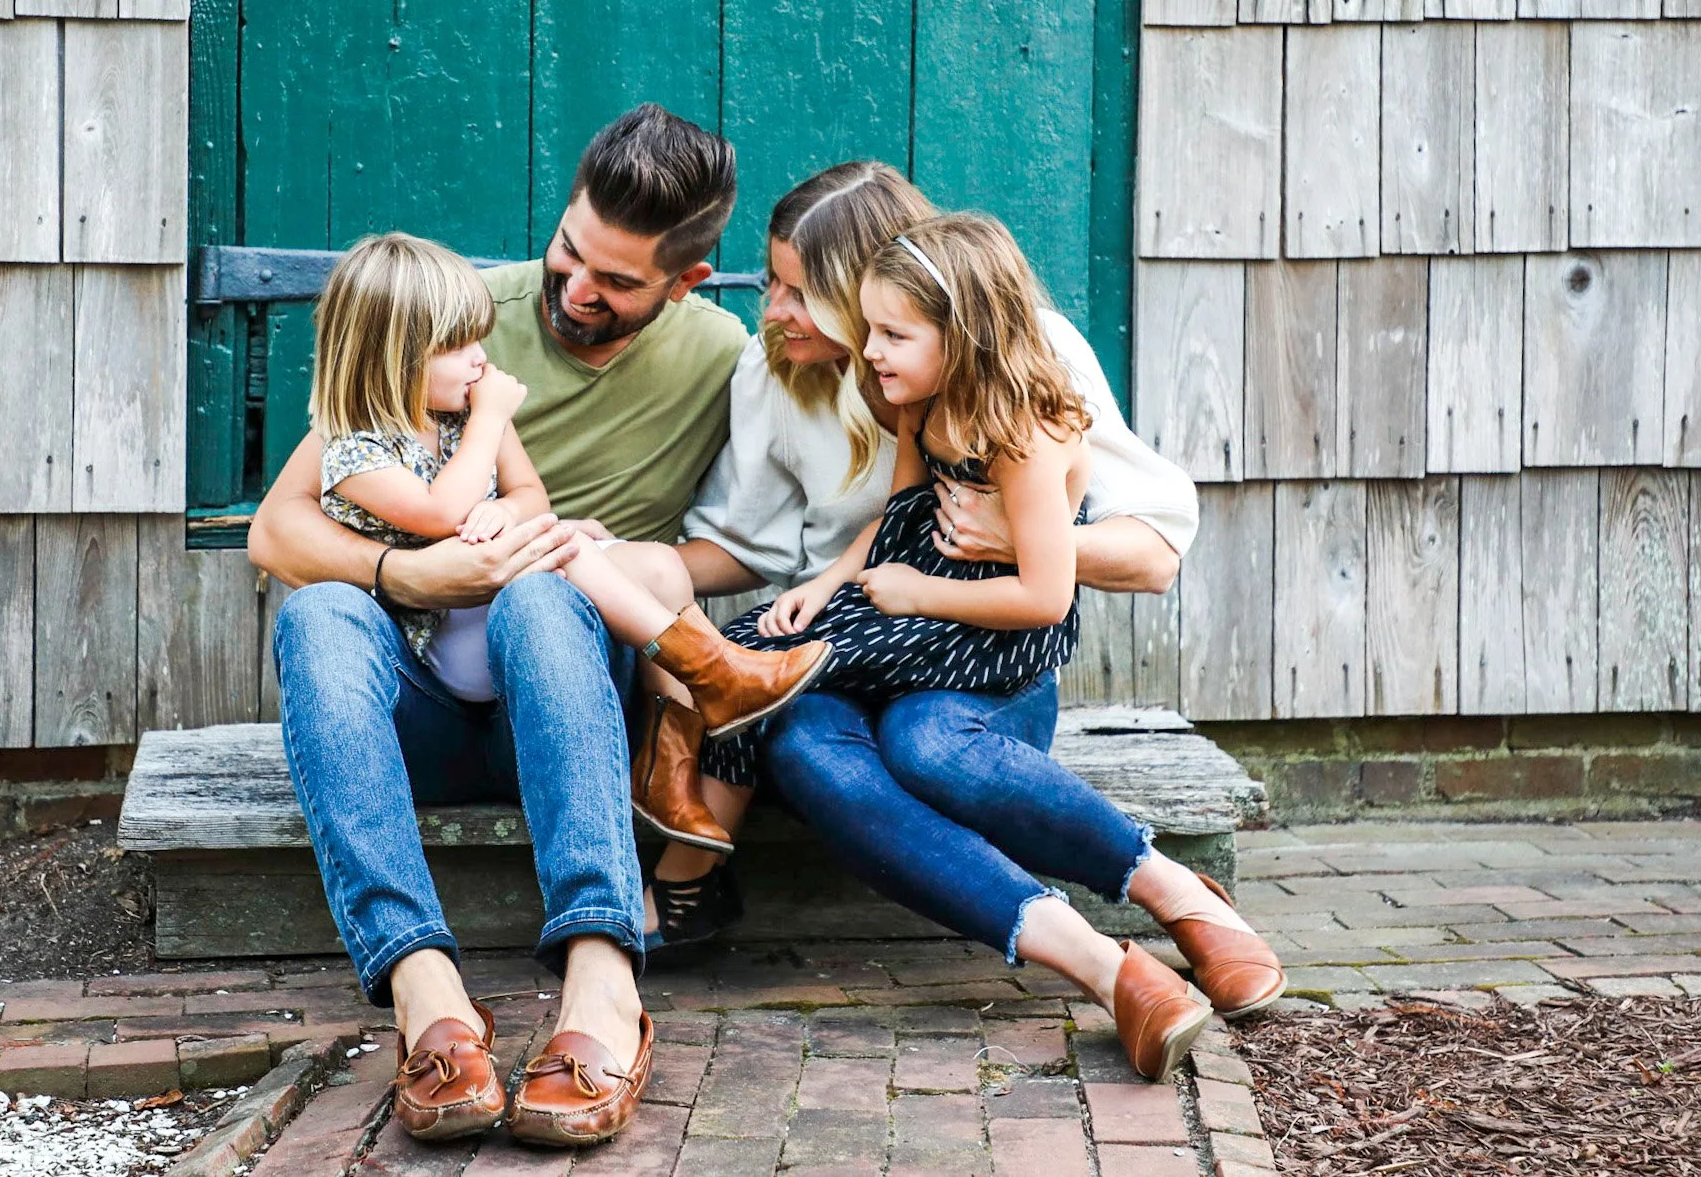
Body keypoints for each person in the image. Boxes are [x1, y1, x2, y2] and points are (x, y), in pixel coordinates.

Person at [648, 169, 1286, 1080]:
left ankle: (1178, 893)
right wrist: (644, 568)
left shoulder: (1026, 361)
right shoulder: (787, 369)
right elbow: (748, 539)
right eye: (774, 281)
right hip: (855, 639)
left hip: (975, 655)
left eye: (799, 289)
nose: (775, 308)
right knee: (791, 737)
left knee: (930, 743)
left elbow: (1148, 554)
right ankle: (1109, 970)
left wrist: (1018, 539)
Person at [249, 105, 752, 1147]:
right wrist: (411, 571)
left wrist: (610, 555)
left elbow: (774, 525)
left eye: (615, 283)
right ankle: (424, 990)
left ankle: (602, 980)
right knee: (322, 611)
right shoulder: (446, 312)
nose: (574, 290)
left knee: (542, 591)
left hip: (568, 696)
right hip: (418, 704)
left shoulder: (722, 356)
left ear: (684, 283)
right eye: (569, 252)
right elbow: (277, 528)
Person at [308, 231, 830, 729]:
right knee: (564, 547)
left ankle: (690, 720)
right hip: (447, 640)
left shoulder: (465, 413)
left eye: (479, 341)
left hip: (510, 614)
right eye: (457, 346)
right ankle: (716, 673)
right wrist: (491, 421)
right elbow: (440, 513)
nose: (481, 359)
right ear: (391, 358)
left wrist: (506, 512)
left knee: (653, 562)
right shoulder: (355, 451)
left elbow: (531, 497)